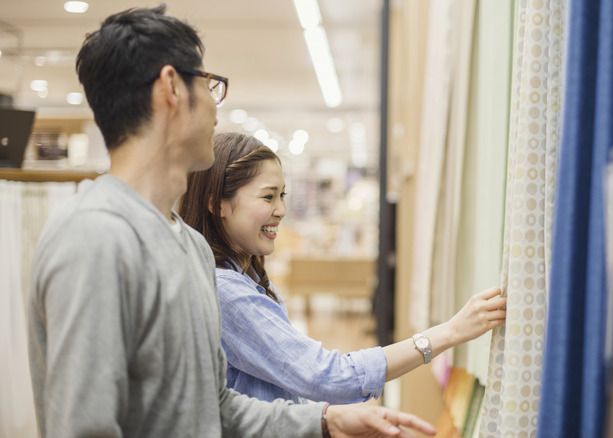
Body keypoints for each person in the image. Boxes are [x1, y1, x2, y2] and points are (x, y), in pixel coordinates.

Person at [26, 6, 436, 438]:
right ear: (171, 87)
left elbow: (213, 406)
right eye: (208, 85)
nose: (216, 108)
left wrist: (324, 420)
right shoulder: (93, 238)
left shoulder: (190, 246)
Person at [178, 132, 508, 404]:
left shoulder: (246, 277)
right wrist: (448, 333)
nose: (281, 209)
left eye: (282, 195)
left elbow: (289, 382)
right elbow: (327, 376)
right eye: (267, 197)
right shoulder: (226, 292)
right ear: (216, 203)